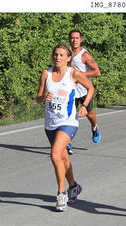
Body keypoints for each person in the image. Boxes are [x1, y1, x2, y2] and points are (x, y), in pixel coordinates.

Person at [36, 44, 94, 211]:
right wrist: (43, 96)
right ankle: (73, 186)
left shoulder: (74, 74)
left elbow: (90, 88)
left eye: (61, 55)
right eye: (55, 54)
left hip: (68, 122)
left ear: (69, 58)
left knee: (55, 155)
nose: (58, 57)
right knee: (63, 158)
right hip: (50, 123)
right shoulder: (46, 74)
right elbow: (38, 98)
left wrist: (84, 105)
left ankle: (61, 194)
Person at [67, 30, 101, 155]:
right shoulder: (66, 53)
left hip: (85, 90)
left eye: (77, 38)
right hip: (71, 91)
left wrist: (79, 75)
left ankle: (94, 128)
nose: (74, 40)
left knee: (90, 114)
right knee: (68, 116)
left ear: (80, 40)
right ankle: (67, 143)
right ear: (69, 39)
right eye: (72, 38)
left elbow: (97, 72)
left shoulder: (85, 55)